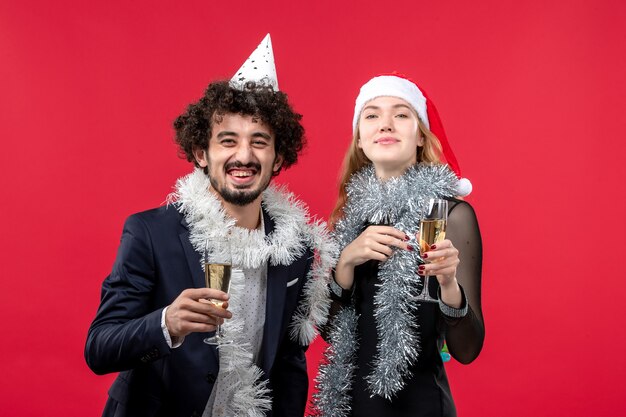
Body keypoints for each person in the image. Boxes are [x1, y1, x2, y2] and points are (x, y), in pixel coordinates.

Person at [85, 34, 334, 417]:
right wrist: (166, 322)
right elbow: (99, 348)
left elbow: (287, 361)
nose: (244, 156)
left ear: (279, 157)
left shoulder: (294, 248)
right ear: (202, 153)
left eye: (260, 142)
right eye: (228, 141)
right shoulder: (151, 233)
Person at [312, 74, 484, 417]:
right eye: (372, 115)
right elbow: (331, 335)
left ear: (420, 136)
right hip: (349, 408)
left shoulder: (451, 215)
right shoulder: (349, 220)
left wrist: (449, 284)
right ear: (360, 140)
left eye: (402, 114)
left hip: (420, 406)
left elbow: (467, 350)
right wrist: (345, 263)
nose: (386, 124)